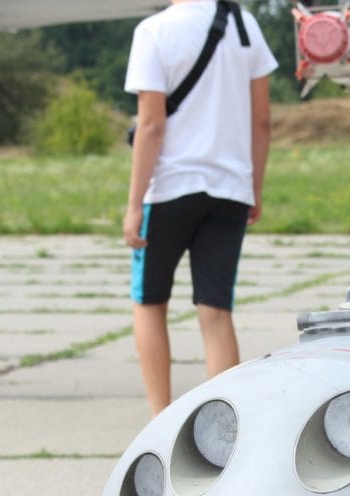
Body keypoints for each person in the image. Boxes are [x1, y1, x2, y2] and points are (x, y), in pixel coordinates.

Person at [122, 0, 277, 416]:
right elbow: (262, 121)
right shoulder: (245, 25)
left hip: (170, 189)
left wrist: (134, 204)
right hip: (230, 190)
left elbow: (152, 125)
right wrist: (253, 186)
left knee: (150, 303)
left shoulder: (154, 32)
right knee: (215, 310)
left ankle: (160, 418)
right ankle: (222, 425)